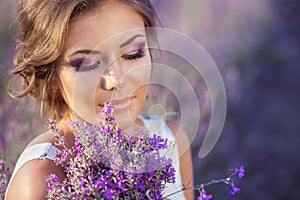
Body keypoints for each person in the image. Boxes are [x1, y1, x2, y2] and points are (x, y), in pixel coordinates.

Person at [6, 0, 194, 199]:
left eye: (132, 54)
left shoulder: (172, 141)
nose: (116, 80)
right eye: (87, 64)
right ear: (50, 74)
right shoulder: (40, 177)